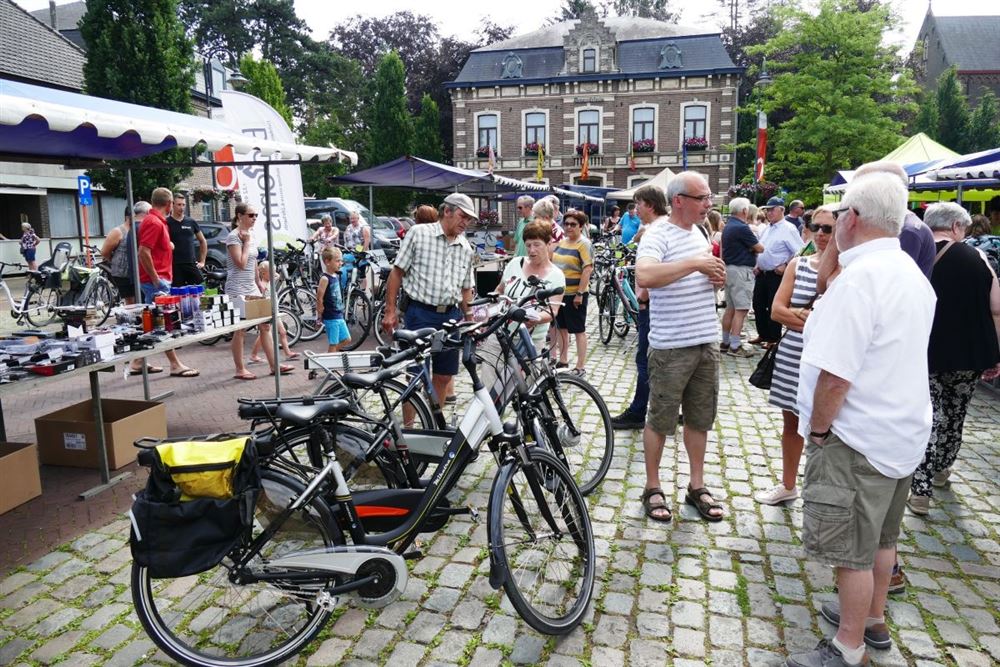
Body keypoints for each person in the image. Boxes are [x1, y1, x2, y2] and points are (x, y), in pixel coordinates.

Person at [787, 172, 936, 667]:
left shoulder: (860, 281)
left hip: (858, 435)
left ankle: (847, 648)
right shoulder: (910, 272)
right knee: (882, 539)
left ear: (851, 218)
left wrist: (821, 430)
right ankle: (873, 622)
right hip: (900, 430)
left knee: (851, 550)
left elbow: (834, 377)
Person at [635, 175, 726, 523]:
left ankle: (697, 485)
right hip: (671, 347)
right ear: (678, 201)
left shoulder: (699, 233)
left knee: (700, 419)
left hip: (705, 341)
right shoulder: (658, 233)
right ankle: (653, 486)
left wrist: (715, 278)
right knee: (660, 419)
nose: (708, 204)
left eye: (709, 197)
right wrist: (695, 265)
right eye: (701, 198)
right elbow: (645, 276)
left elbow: (699, 276)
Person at [906, 203, 1000, 515]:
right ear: (958, 227)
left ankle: (920, 490)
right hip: (968, 353)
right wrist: (994, 350)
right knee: (955, 413)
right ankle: (943, 468)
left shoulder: (914, 255)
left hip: (925, 351)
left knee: (927, 416)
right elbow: (996, 307)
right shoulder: (978, 257)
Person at [755, 206, 837, 506]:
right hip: (793, 354)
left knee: (830, 425)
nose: (820, 234)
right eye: (815, 226)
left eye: (828, 228)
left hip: (827, 357)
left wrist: (802, 317)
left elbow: (842, 323)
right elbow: (777, 311)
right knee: (791, 422)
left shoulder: (848, 270)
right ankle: (789, 484)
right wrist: (813, 320)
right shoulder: (798, 265)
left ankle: (824, 491)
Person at [382, 192, 476, 409]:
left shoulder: (466, 248)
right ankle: (408, 431)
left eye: (469, 219)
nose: (466, 222)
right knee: (415, 375)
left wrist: (469, 318)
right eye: (463, 216)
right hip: (420, 313)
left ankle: (433, 426)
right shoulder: (419, 233)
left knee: (444, 376)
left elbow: (466, 289)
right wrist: (390, 311)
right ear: (447, 211)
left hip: (451, 317)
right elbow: (396, 273)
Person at [609, 186, 664, 431]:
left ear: (650, 205)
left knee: (645, 359)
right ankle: (669, 407)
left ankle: (639, 411)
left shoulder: (653, 231)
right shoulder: (668, 228)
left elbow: (652, 272)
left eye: (638, 204)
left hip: (653, 306)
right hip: (662, 306)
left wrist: (643, 297)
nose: (635, 209)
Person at [133, 187, 199, 378]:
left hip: (159, 279)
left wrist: (167, 246)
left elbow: (150, 249)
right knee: (163, 323)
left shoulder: (155, 221)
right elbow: (143, 252)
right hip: (157, 280)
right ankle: (175, 364)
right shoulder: (154, 222)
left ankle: (138, 361)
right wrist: (156, 280)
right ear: (169, 204)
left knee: (153, 323)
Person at [227, 203, 294, 381]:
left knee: (265, 325)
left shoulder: (251, 235)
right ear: (239, 216)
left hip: (251, 286)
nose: (254, 218)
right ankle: (239, 369)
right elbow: (241, 264)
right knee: (240, 329)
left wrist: (258, 283)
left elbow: (253, 262)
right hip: (237, 288)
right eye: (251, 215)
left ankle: (274, 365)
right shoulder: (234, 237)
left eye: (256, 215)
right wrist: (247, 242)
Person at [497, 220, 565, 347]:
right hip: (501, 334)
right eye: (528, 245)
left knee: (527, 366)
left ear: (549, 243)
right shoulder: (515, 263)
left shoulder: (556, 275)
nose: (532, 250)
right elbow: (500, 290)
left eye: (536, 245)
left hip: (530, 340)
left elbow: (553, 311)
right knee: (490, 366)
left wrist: (537, 318)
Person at [752, 197, 803, 346]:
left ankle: (773, 338)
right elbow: (763, 249)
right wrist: (758, 264)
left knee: (773, 305)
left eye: (772, 209)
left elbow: (801, 251)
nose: (769, 212)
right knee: (758, 304)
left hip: (776, 274)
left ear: (781, 209)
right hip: (762, 273)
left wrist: (786, 265)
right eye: (767, 209)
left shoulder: (789, 229)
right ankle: (763, 334)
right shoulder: (768, 228)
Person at [720, 197, 764, 357]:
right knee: (741, 309)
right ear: (745, 211)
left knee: (730, 308)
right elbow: (760, 248)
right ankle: (735, 346)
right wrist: (753, 249)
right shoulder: (742, 228)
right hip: (741, 271)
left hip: (729, 269)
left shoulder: (728, 226)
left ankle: (725, 342)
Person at [552, 209, 593, 376]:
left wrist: (580, 294)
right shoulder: (562, 242)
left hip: (575, 294)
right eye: (566, 224)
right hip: (561, 293)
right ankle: (563, 361)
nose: (569, 227)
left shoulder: (584, 244)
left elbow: (587, 269)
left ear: (581, 226)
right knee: (561, 328)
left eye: (573, 224)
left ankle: (580, 366)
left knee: (578, 330)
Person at [248, 261, 299, 364]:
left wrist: (274, 269)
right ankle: (254, 354)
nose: (273, 274)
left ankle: (287, 352)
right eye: (270, 272)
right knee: (265, 334)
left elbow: (277, 275)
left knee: (283, 332)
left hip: (275, 311)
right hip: (268, 312)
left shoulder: (271, 280)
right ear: (263, 274)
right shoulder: (262, 285)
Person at [102, 202, 149, 304]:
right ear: (128, 216)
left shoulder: (140, 228)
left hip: (137, 271)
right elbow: (105, 252)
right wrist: (115, 260)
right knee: (130, 300)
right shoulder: (118, 231)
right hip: (122, 274)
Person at [166, 194, 207, 287]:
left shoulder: (191, 222)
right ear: (172, 205)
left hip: (190, 263)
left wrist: (202, 261)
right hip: (174, 265)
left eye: (183, 205)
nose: (182, 207)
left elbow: (203, 241)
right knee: (178, 294)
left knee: (200, 289)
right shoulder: (167, 222)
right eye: (179, 204)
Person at [316, 247, 352, 352]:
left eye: (341, 260)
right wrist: (319, 316)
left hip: (338, 314)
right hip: (331, 316)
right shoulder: (325, 279)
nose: (340, 263)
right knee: (333, 342)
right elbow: (319, 298)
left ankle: (328, 356)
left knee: (346, 339)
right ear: (327, 262)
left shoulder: (335, 276)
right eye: (337, 261)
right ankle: (330, 364)